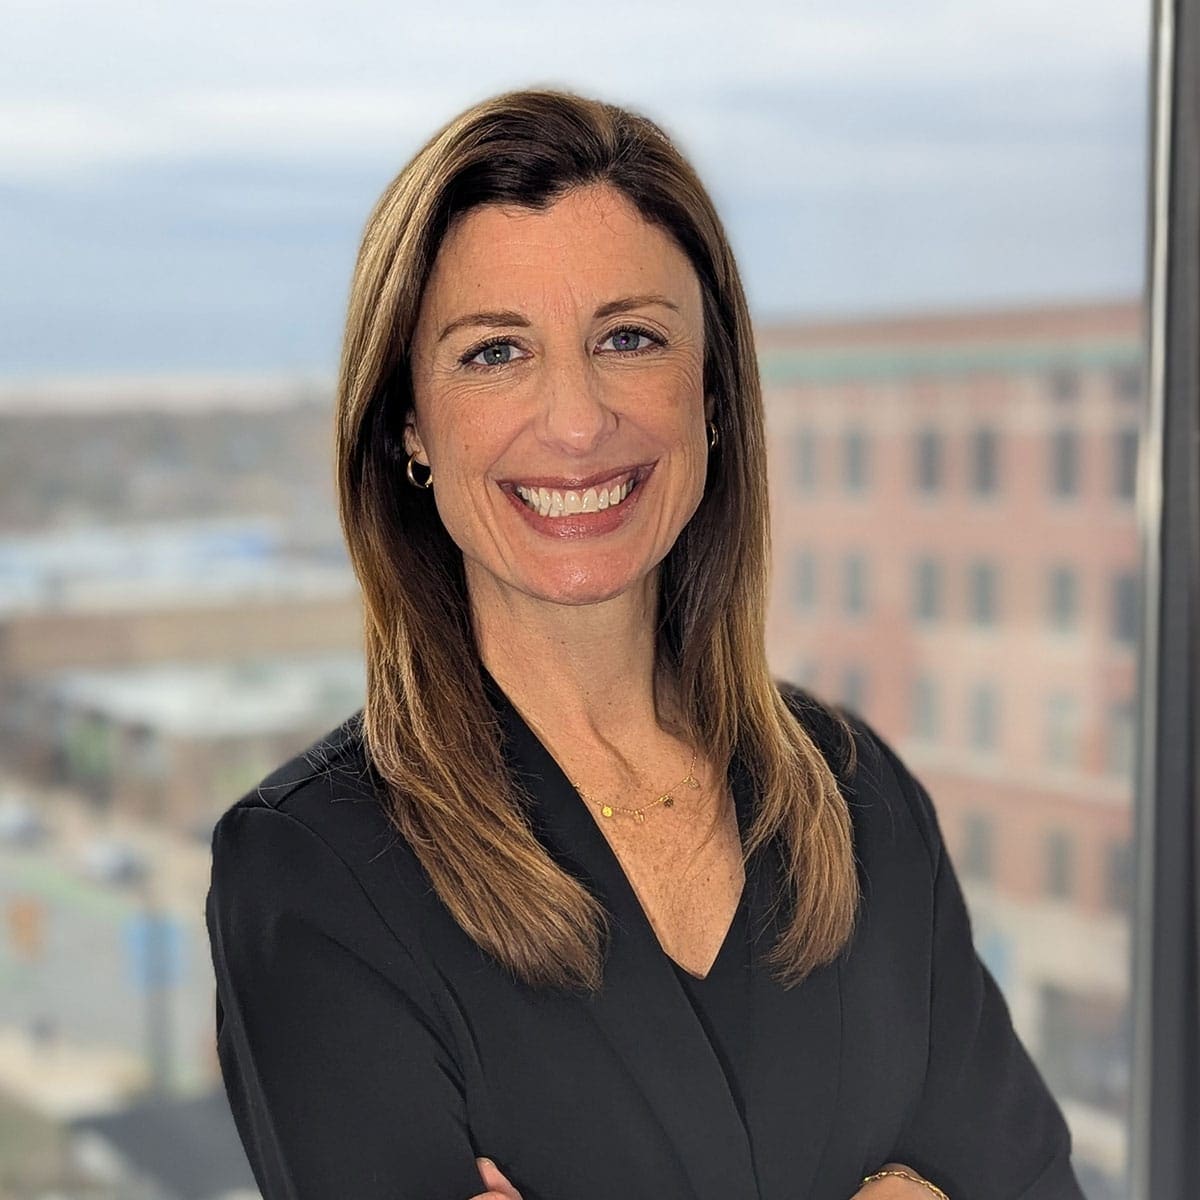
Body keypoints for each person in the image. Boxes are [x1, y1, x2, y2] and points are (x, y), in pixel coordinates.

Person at [205, 86, 1085, 1200]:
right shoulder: (311, 874)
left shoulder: (857, 798)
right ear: (409, 427)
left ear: (711, 392)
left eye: (629, 338)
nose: (576, 421)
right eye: (493, 354)